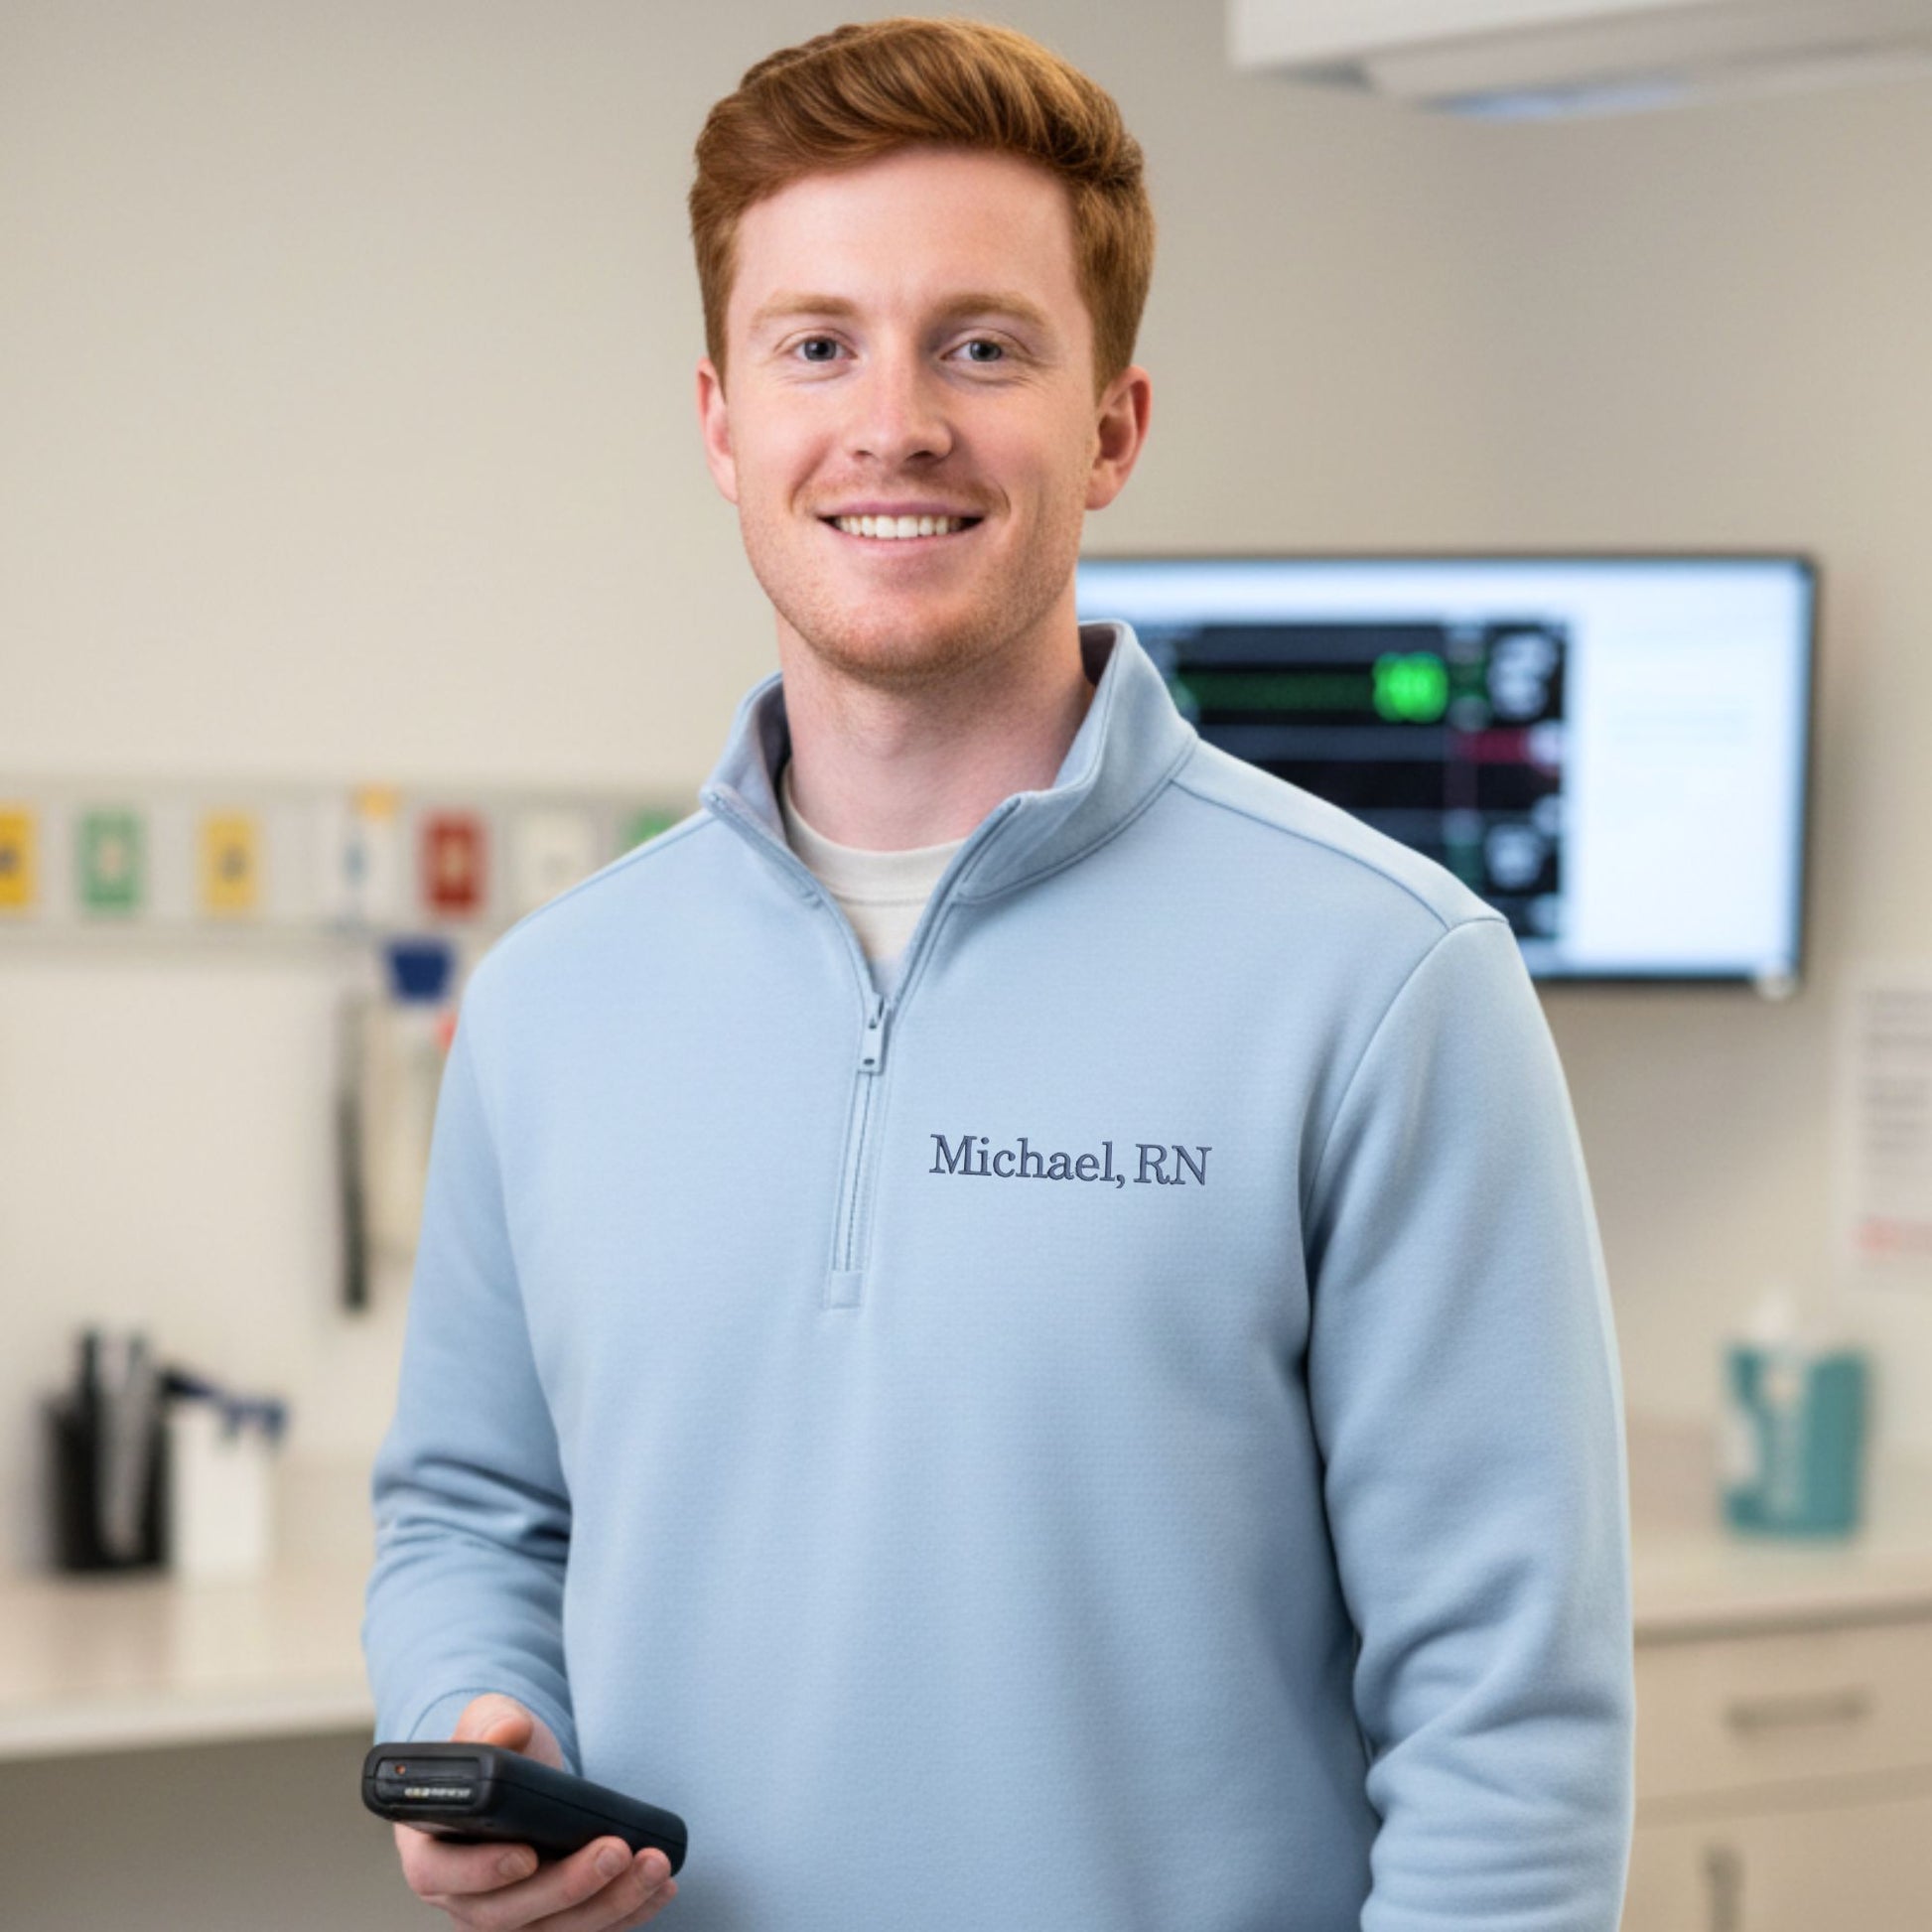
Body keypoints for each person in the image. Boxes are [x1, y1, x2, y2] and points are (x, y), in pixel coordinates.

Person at [361, 17, 1635, 1932]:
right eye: (817, 345)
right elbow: (470, 1507)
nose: (894, 423)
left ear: (1111, 426)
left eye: (981, 343)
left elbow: (1506, 1729)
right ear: (722, 421)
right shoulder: (549, 1002)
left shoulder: (1383, 983)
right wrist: (473, 1715)